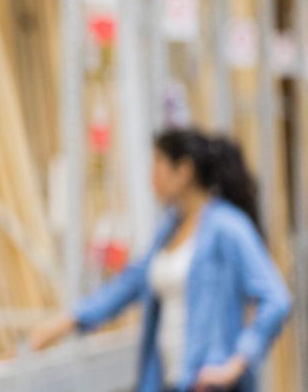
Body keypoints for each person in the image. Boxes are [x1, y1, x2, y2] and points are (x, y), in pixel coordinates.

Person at [30, 128, 291, 392]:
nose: (151, 177)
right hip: (167, 381)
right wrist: (62, 324)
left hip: (207, 384)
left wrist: (236, 363)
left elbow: (276, 299)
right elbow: (127, 285)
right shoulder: (169, 230)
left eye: (157, 165)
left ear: (184, 170)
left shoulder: (227, 227)